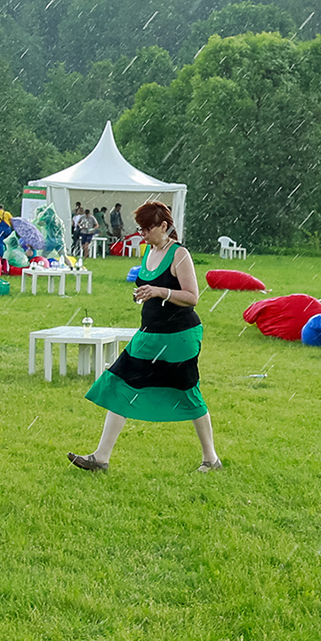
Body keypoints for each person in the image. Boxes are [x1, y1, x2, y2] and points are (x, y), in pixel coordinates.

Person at [67, 200, 219, 473]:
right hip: (149, 334)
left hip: (179, 336)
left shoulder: (180, 254)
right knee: (121, 384)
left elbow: (192, 297)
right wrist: (144, 293)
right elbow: (149, 285)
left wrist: (161, 292)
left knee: (187, 392)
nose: (143, 234)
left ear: (164, 226)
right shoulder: (149, 251)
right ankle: (100, 458)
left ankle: (211, 459)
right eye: (140, 229)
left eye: (147, 228)